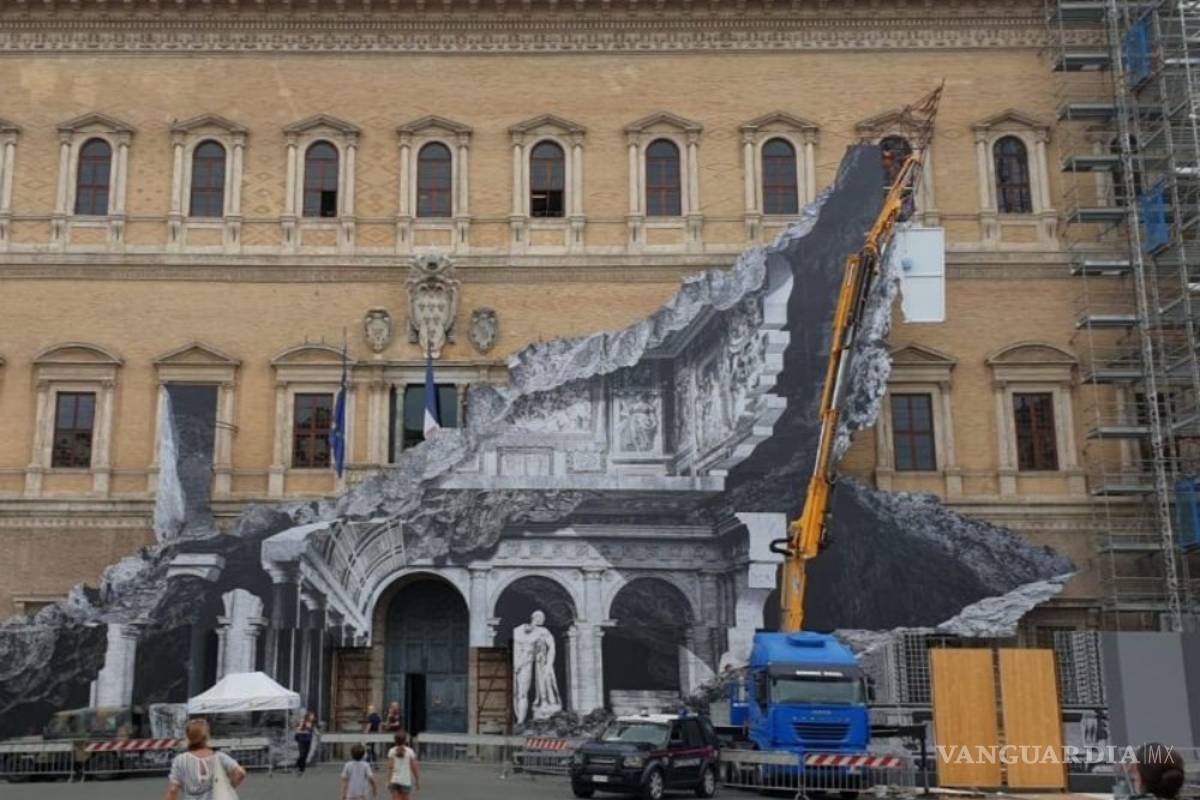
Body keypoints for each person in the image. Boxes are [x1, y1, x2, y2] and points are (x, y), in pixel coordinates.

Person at [164, 718, 246, 800]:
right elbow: (240, 773)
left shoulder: (180, 760)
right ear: (207, 736)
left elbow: (173, 790)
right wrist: (229, 787)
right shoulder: (219, 757)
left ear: (188, 737)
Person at [385, 732, 420, 799]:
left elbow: (390, 768)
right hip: (405, 781)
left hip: (394, 780)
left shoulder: (392, 751)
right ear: (405, 740)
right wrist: (417, 780)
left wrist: (388, 781)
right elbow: (414, 767)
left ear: (395, 741)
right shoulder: (410, 751)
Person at [294, 710, 317, 776]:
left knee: (305, 755)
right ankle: (298, 766)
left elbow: (312, 731)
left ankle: (302, 769)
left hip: (308, 741)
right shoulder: (302, 722)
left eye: (313, 716)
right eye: (312, 715)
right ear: (308, 716)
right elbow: (297, 730)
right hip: (301, 741)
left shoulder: (312, 723)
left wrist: (315, 732)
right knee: (302, 754)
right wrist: (305, 732)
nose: (313, 717)